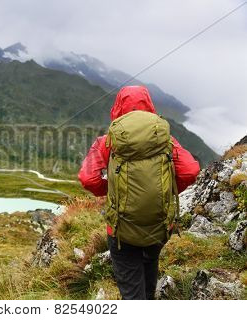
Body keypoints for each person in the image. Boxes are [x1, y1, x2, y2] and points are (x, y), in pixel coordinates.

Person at [78, 86, 200, 300]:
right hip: (159, 224)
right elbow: (190, 170)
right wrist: (166, 194)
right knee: (149, 267)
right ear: (149, 106)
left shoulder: (107, 142)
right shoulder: (166, 141)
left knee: (131, 291)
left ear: (117, 108)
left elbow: (88, 178)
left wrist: (114, 192)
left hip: (121, 230)